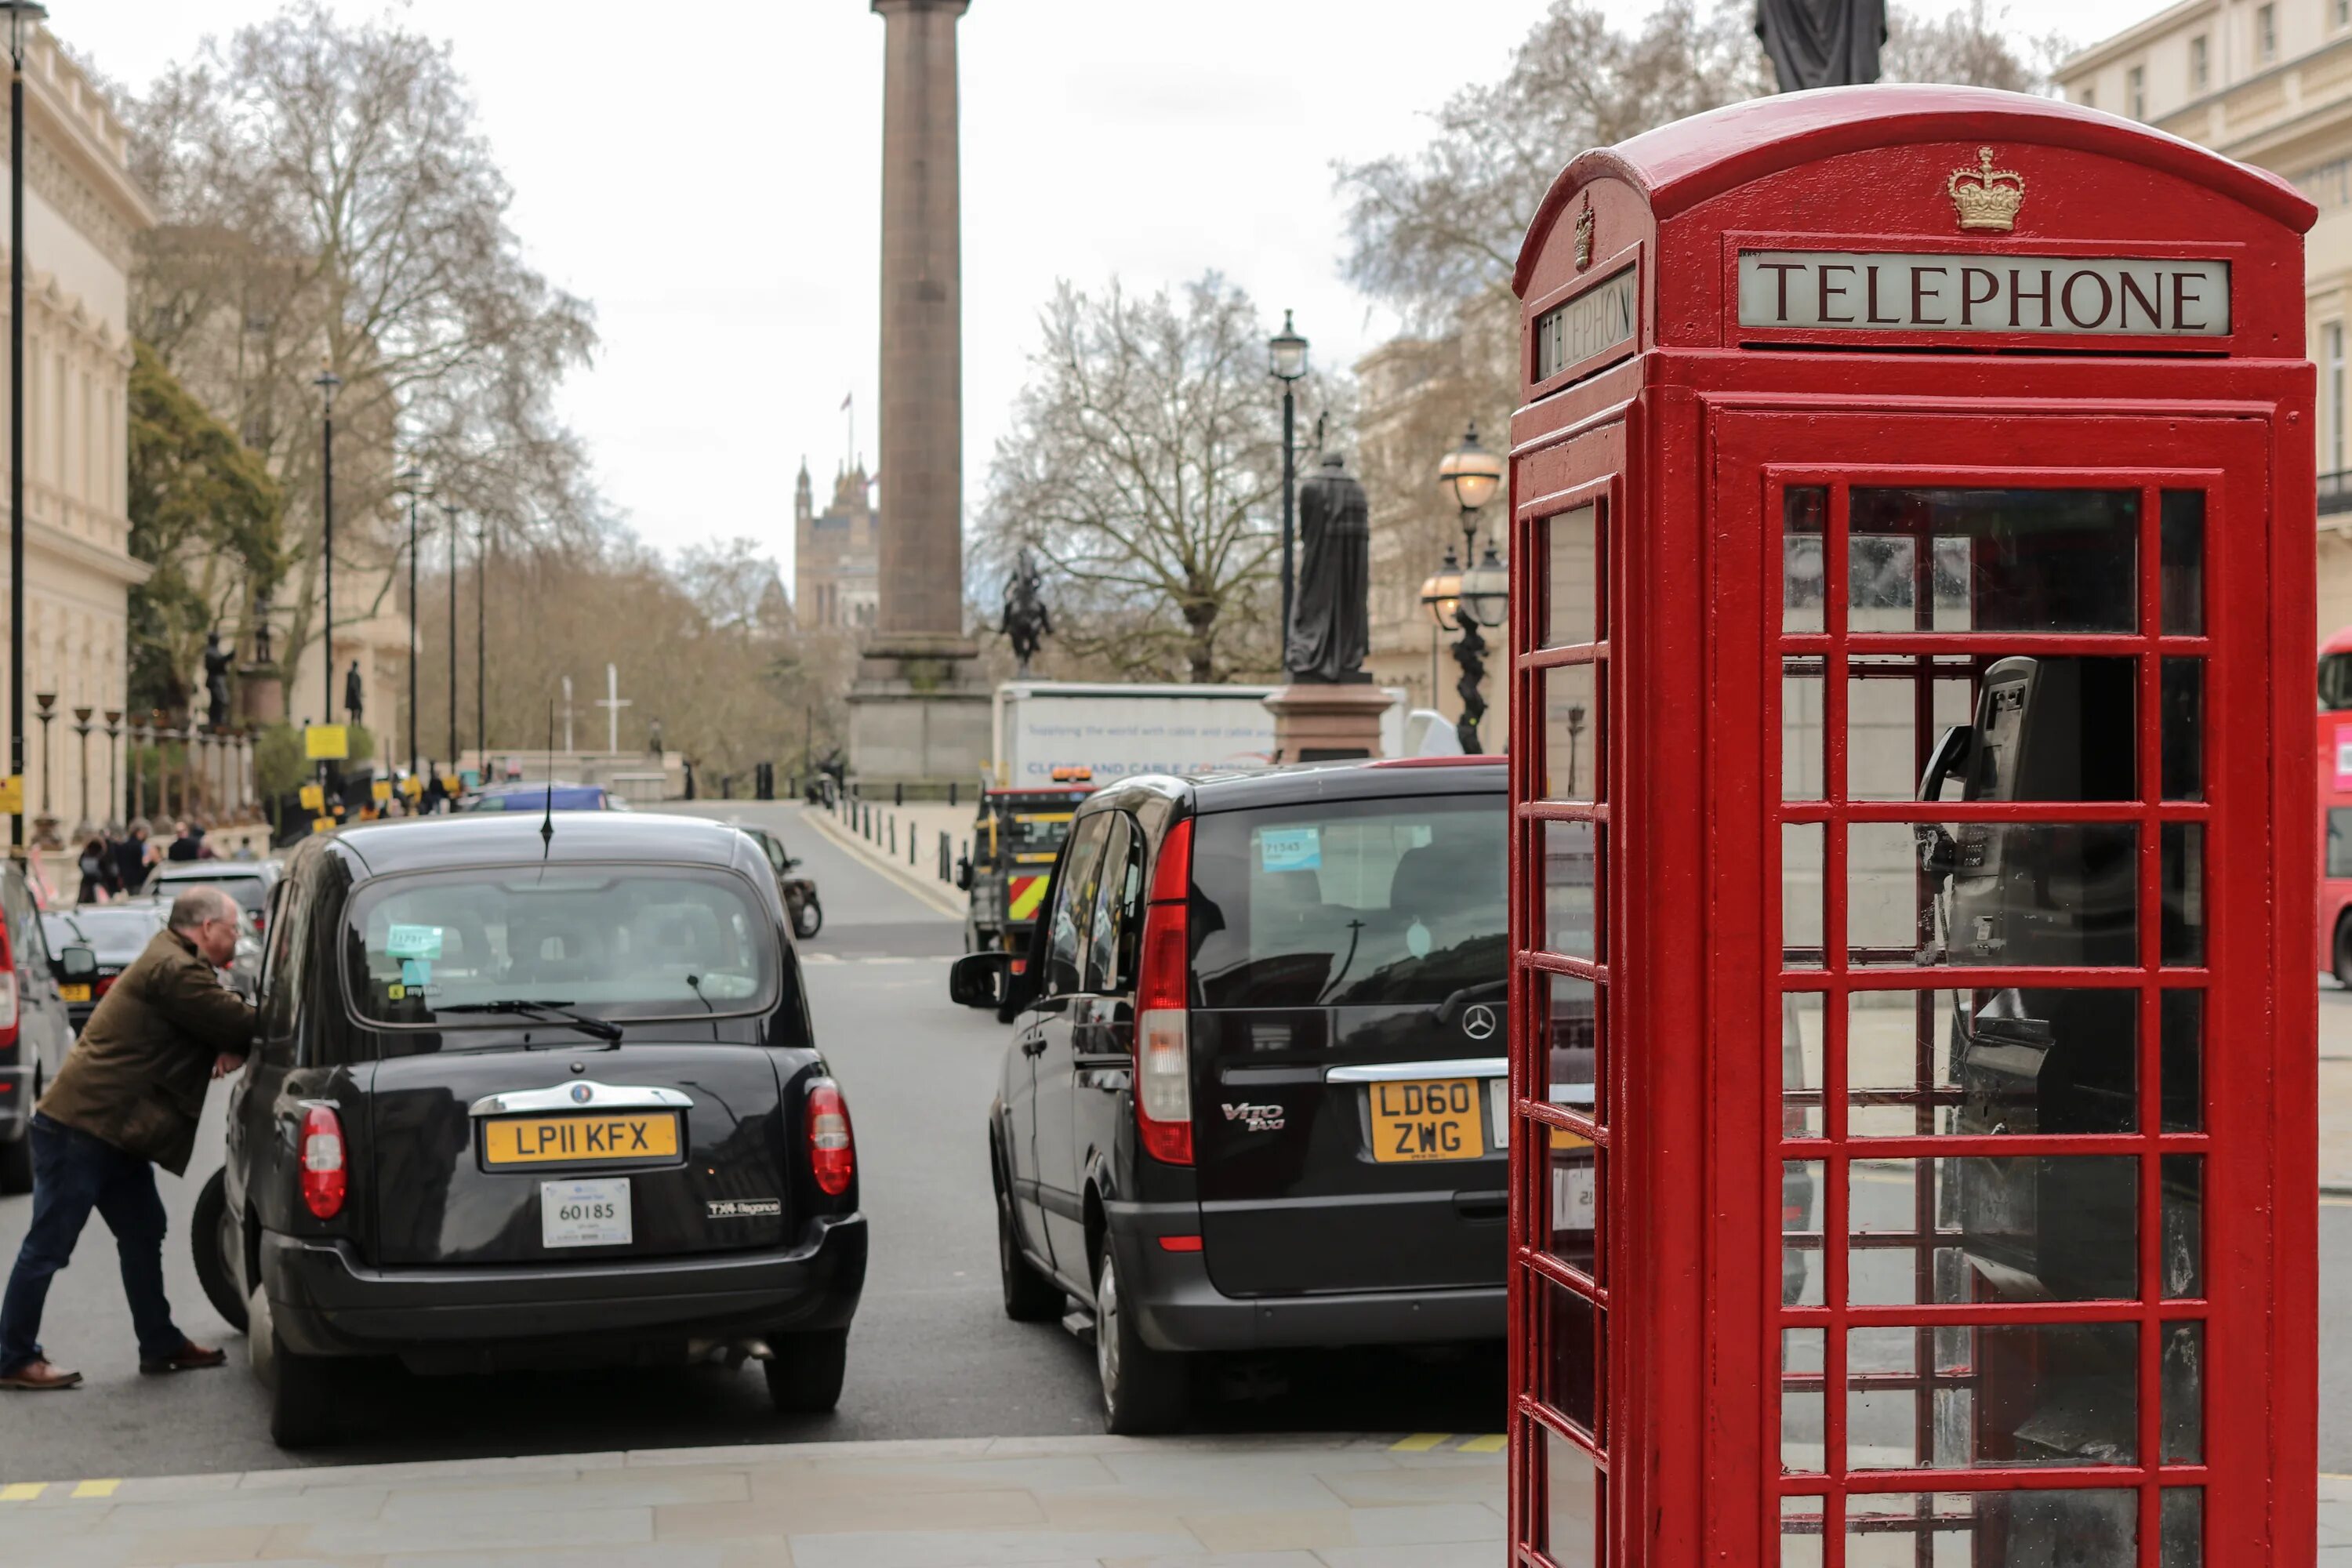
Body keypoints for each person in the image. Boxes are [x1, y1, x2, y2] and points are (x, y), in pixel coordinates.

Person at [0, 887, 252, 1391]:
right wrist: (233, 1036)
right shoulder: (174, 970)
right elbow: (241, 1020)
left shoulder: (175, 963)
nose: (238, 937)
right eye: (233, 928)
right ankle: (12, 1357)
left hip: (113, 1131)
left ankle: (158, 1341)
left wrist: (226, 1040)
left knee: (144, 1229)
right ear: (206, 929)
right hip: (83, 1126)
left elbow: (216, 1022)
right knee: (48, 1245)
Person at [113, 819, 153, 897]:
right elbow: (142, 864)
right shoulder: (139, 846)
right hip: (139, 881)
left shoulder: (123, 846)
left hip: (127, 880)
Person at [74, 834, 117, 906]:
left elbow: (80, 864)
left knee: (84, 902)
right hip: (100, 882)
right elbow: (107, 869)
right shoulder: (102, 855)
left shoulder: (85, 854)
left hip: (87, 883)